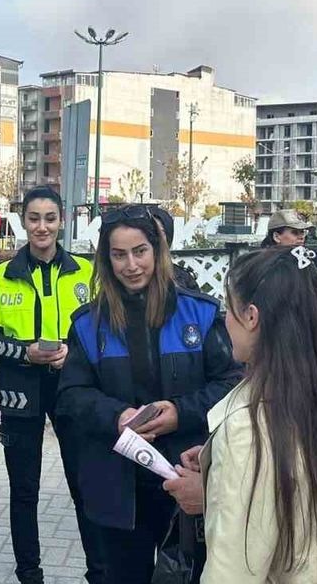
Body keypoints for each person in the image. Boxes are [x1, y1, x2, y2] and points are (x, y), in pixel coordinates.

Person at [162, 245, 317, 583]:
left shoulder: (249, 425)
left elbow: (234, 570)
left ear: (251, 317)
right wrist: (216, 471)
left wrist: (226, 476)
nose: (225, 319)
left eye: (229, 307)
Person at [58, 204, 242, 584]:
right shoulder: (88, 324)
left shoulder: (201, 314)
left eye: (139, 251)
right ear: (106, 260)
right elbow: (72, 396)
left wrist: (180, 411)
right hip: (117, 486)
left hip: (186, 477)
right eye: (119, 254)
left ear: (158, 252)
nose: (131, 265)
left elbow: (232, 384)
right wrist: (117, 417)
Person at [0, 186, 106, 584]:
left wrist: (76, 354)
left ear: (62, 221)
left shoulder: (86, 272)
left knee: (84, 486)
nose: (42, 227)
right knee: (24, 491)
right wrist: (24, 353)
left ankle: (98, 571)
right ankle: (28, 574)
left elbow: (104, 330)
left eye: (50, 218)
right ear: (23, 221)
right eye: (34, 218)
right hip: (19, 392)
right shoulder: (4, 275)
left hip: (74, 388)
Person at [148, 204, 201, 291]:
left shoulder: (183, 279)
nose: (155, 238)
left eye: (160, 232)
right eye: (151, 231)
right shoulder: (131, 276)